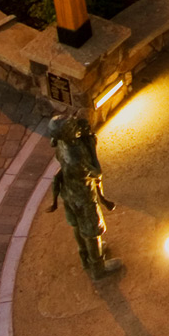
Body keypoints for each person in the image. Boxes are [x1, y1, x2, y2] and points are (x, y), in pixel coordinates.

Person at [47, 112, 123, 280]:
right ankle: (98, 266)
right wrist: (91, 145)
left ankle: (85, 257)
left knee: (76, 226)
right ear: (67, 133)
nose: (77, 128)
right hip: (84, 198)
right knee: (92, 232)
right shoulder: (76, 156)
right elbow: (96, 172)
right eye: (73, 127)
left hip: (68, 192)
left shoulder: (60, 143)